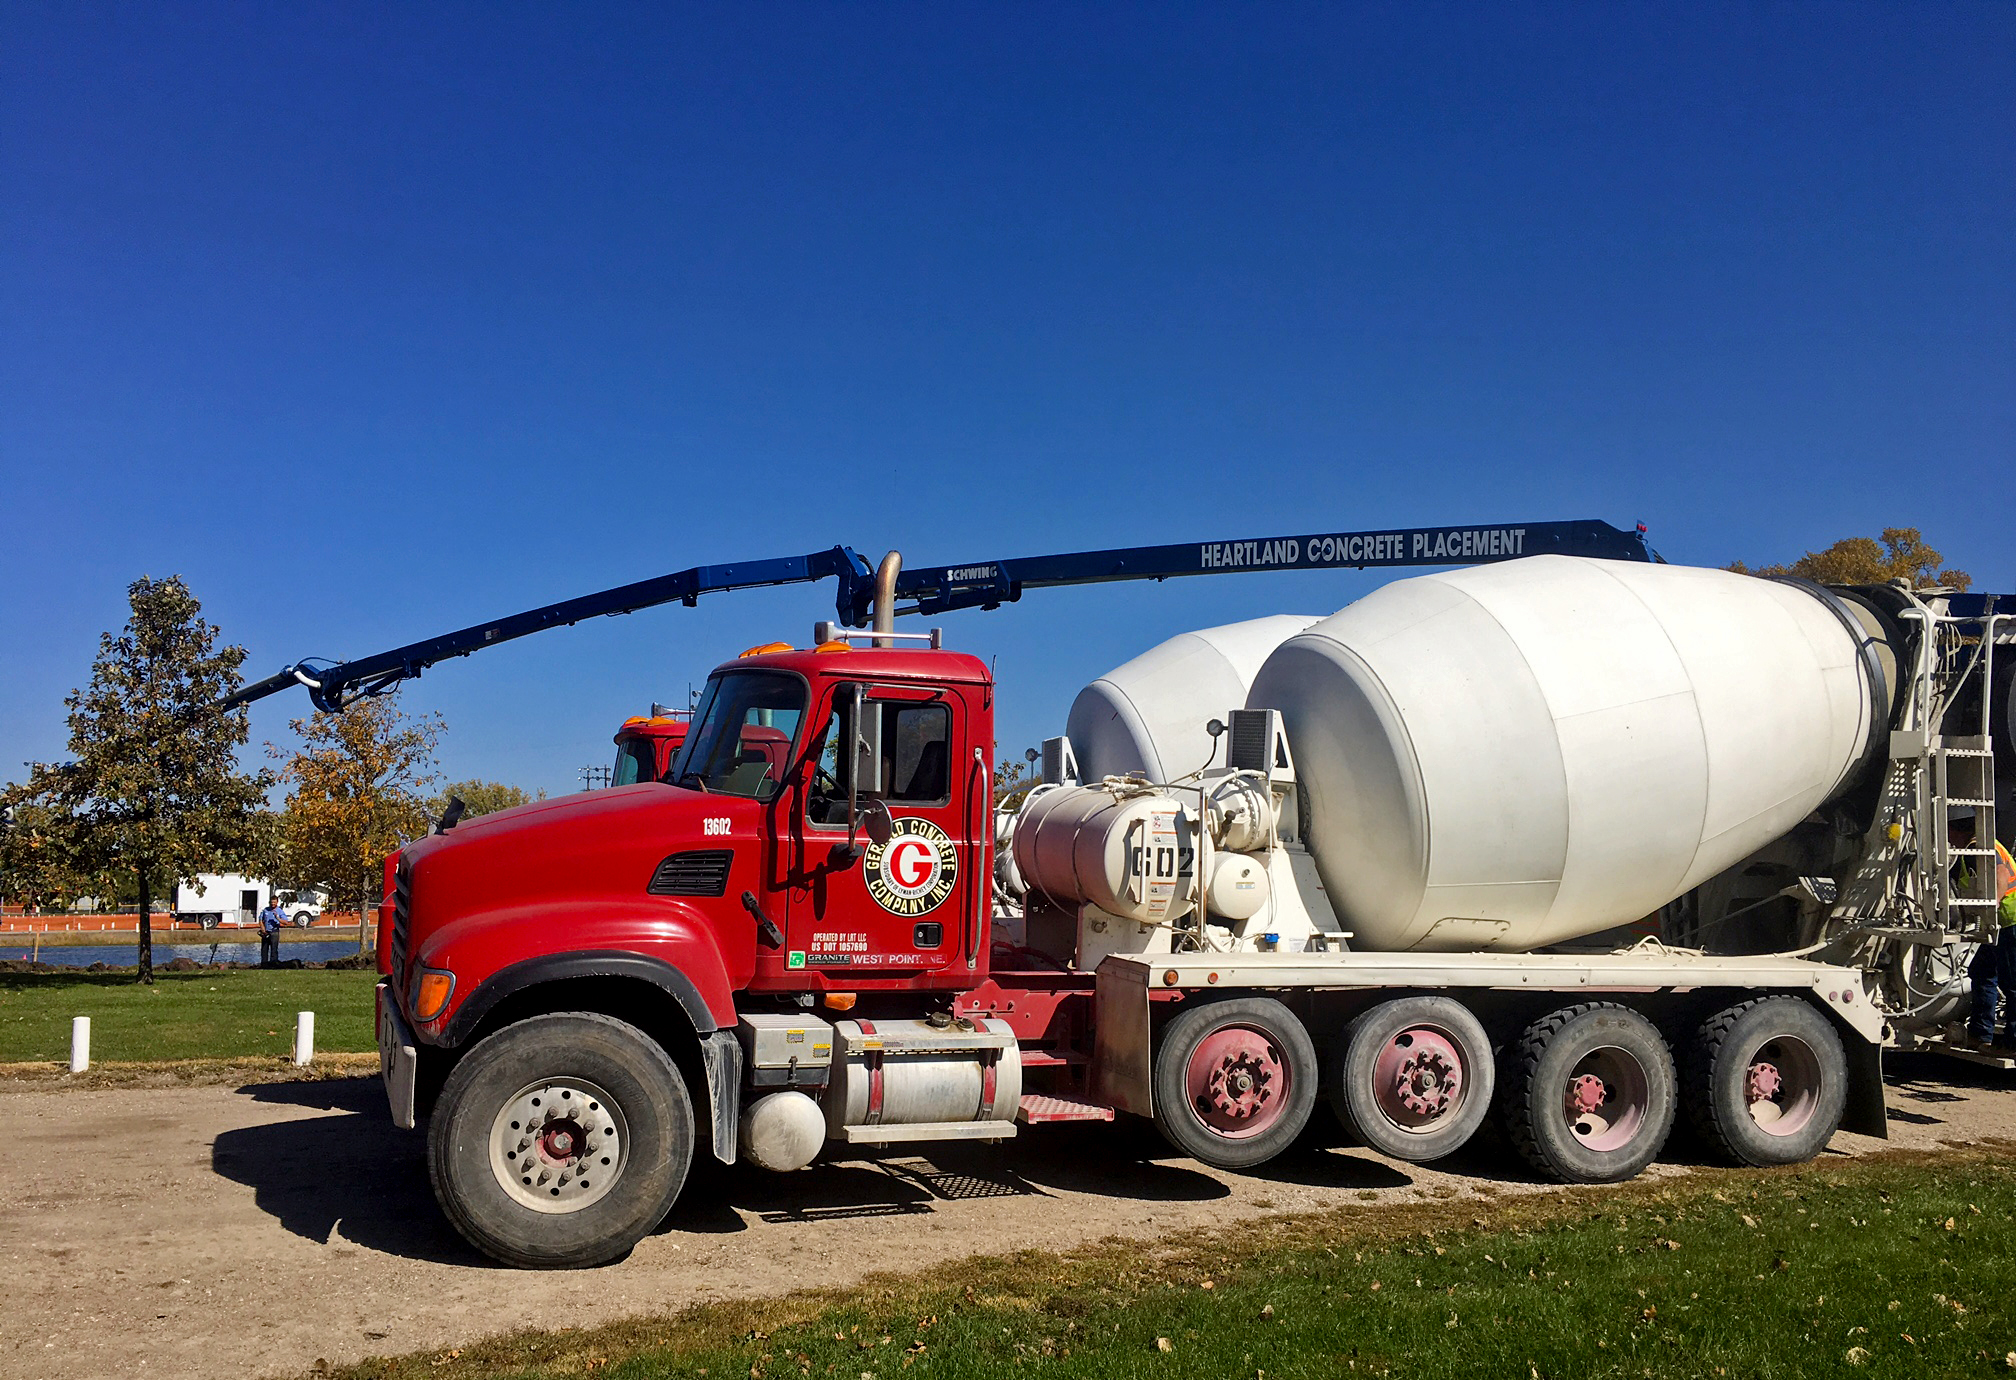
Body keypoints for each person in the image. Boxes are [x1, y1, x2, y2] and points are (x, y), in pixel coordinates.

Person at [1958, 809, 2016, 1049]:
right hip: (1998, 924)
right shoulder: (1983, 844)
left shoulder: (1976, 847)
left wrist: (1991, 907)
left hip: (2008, 921)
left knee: (2010, 982)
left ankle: (2011, 1042)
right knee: (1983, 974)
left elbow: (2001, 874)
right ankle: (1980, 1035)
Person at [257, 894, 287, 967]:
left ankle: (273, 964)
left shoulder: (279, 911)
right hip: (266, 932)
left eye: (274, 902)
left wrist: (278, 919)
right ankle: (264, 964)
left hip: (274, 932)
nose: (273, 904)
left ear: (277, 902)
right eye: (271, 902)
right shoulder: (266, 910)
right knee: (264, 949)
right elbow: (260, 919)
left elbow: (286, 922)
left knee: (274, 949)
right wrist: (262, 928)